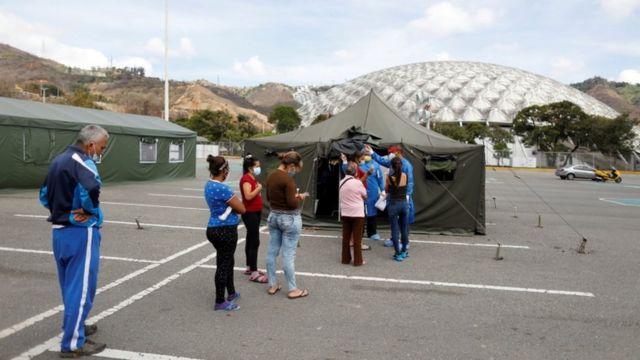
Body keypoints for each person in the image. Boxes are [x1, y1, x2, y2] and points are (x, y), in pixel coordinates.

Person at [39, 124, 109, 357]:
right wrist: (89, 212)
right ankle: (72, 344)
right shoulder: (83, 162)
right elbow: (92, 188)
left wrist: (61, 209)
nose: (101, 152)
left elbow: (43, 194)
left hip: (60, 231)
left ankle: (75, 327)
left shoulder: (58, 160)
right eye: (101, 147)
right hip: (80, 232)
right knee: (81, 289)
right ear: (90, 144)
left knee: (70, 286)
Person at [265, 151, 309, 299]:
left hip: (274, 216)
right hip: (289, 219)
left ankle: (272, 284)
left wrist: (291, 197)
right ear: (291, 165)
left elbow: (269, 197)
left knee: (272, 252)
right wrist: (299, 198)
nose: (295, 171)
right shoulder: (288, 180)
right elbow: (291, 203)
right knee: (288, 256)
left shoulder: (271, 175)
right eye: (295, 168)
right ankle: (293, 289)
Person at [205, 155, 246, 311]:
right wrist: (235, 207)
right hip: (225, 230)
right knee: (223, 265)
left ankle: (232, 292)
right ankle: (220, 301)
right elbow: (242, 209)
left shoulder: (209, 185)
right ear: (225, 170)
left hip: (213, 228)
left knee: (228, 260)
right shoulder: (223, 188)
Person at [366, 145, 414, 248]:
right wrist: (372, 152)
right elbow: (382, 161)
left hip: (402, 197)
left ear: (397, 153)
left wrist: (407, 195)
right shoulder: (393, 163)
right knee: (394, 222)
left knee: (403, 221)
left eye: (391, 153)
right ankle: (394, 239)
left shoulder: (406, 165)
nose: (389, 156)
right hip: (394, 198)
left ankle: (405, 242)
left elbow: (409, 183)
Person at [239, 154, 267, 283]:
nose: (258, 168)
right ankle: (254, 272)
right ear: (250, 167)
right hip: (249, 213)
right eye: (257, 166)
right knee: (255, 241)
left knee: (250, 239)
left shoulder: (252, 177)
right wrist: (259, 188)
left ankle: (250, 267)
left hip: (256, 212)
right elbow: (248, 196)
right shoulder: (246, 179)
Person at [339, 163, 368, 266]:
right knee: (357, 238)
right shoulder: (357, 183)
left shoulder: (341, 182)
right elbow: (365, 196)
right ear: (355, 172)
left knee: (346, 237)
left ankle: (345, 259)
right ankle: (358, 261)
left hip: (345, 212)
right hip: (357, 213)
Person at [385, 157, 410, 261]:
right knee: (404, 229)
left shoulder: (389, 178)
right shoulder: (405, 176)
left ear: (392, 166)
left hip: (393, 204)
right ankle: (404, 250)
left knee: (395, 230)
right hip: (404, 204)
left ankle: (398, 253)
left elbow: (386, 190)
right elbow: (406, 188)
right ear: (401, 165)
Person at [359, 152, 384, 241]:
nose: (366, 156)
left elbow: (380, 179)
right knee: (360, 213)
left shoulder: (376, 165)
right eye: (365, 154)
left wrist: (383, 190)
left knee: (372, 212)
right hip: (360, 192)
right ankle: (359, 232)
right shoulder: (358, 165)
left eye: (368, 154)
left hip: (373, 193)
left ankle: (372, 232)